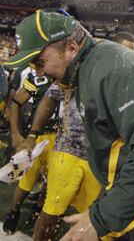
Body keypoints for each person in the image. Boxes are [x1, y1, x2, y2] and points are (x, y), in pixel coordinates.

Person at [4, 9, 134, 241]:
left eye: (40, 61)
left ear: (71, 47)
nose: (39, 71)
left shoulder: (112, 69)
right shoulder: (91, 66)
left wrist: (103, 217)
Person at [16, 84, 101, 241]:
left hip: (99, 156)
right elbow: (50, 95)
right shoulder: (74, 67)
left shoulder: (122, 72)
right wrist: (32, 134)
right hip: (66, 148)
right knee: (52, 208)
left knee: (91, 215)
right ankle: (15, 212)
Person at [1, 68, 58, 236]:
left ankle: (38, 208)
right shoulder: (39, 78)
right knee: (27, 179)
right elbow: (16, 103)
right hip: (38, 136)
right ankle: (14, 211)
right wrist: (16, 134)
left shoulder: (79, 80)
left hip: (64, 140)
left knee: (52, 179)